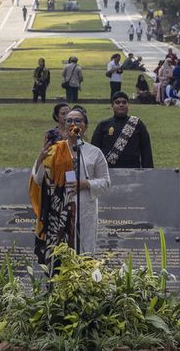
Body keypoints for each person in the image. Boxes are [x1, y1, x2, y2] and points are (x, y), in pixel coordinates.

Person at [29, 106, 110, 265]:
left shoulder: (94, 152)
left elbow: (106, 183)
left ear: (84, 127)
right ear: (64, 126)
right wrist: (40, 160)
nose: (73, 123)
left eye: (77, 120)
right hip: (58, 212)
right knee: (59, 256)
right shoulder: (54, 150)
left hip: (85, 210)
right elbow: (38, 180)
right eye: (69, 120)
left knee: (83, 253)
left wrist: (85, 184)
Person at [90, 93, 154, 169]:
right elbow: (94, 150)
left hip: (133, 170)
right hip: (108, 170)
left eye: (124, 102)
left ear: (128, 105)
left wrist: (149, 171)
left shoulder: (137, 124)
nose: (121, 105)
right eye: (117, 102)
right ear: (112, 105)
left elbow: (146, 150)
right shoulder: (103, 125)